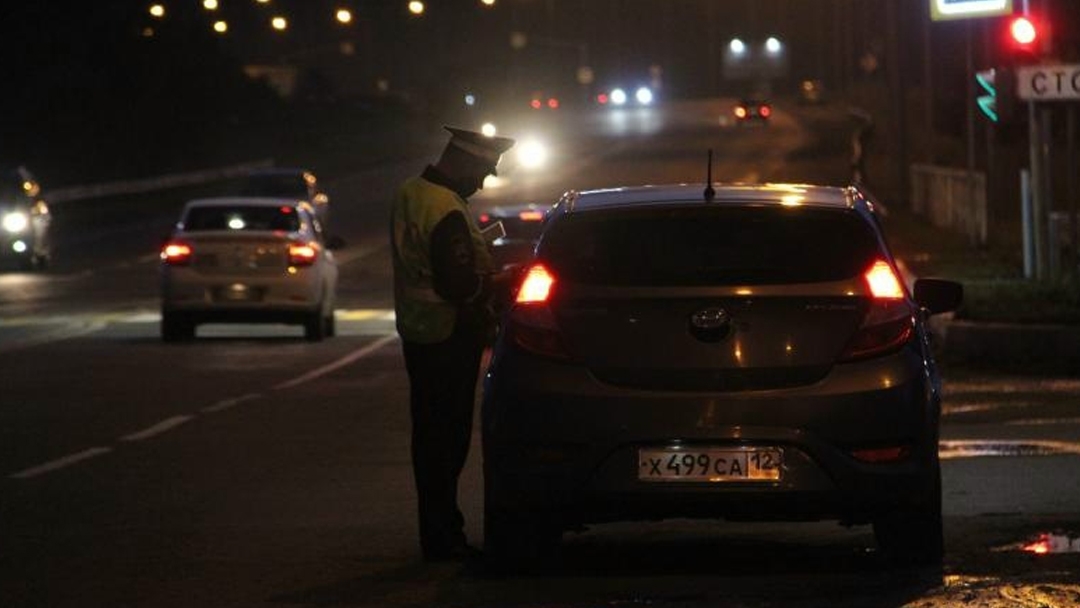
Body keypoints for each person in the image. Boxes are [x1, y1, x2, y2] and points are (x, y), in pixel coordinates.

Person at [390, 126, 516, 562]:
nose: (484, 181)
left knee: (429, 440)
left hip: (419, 333)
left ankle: (438, 533)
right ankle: (444, 538)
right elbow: (458, 284)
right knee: (446, 442)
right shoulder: (445, 207)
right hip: (447, 338)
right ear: (463, 162)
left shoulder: (412, 193)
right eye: (484, 170)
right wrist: (500, 282)